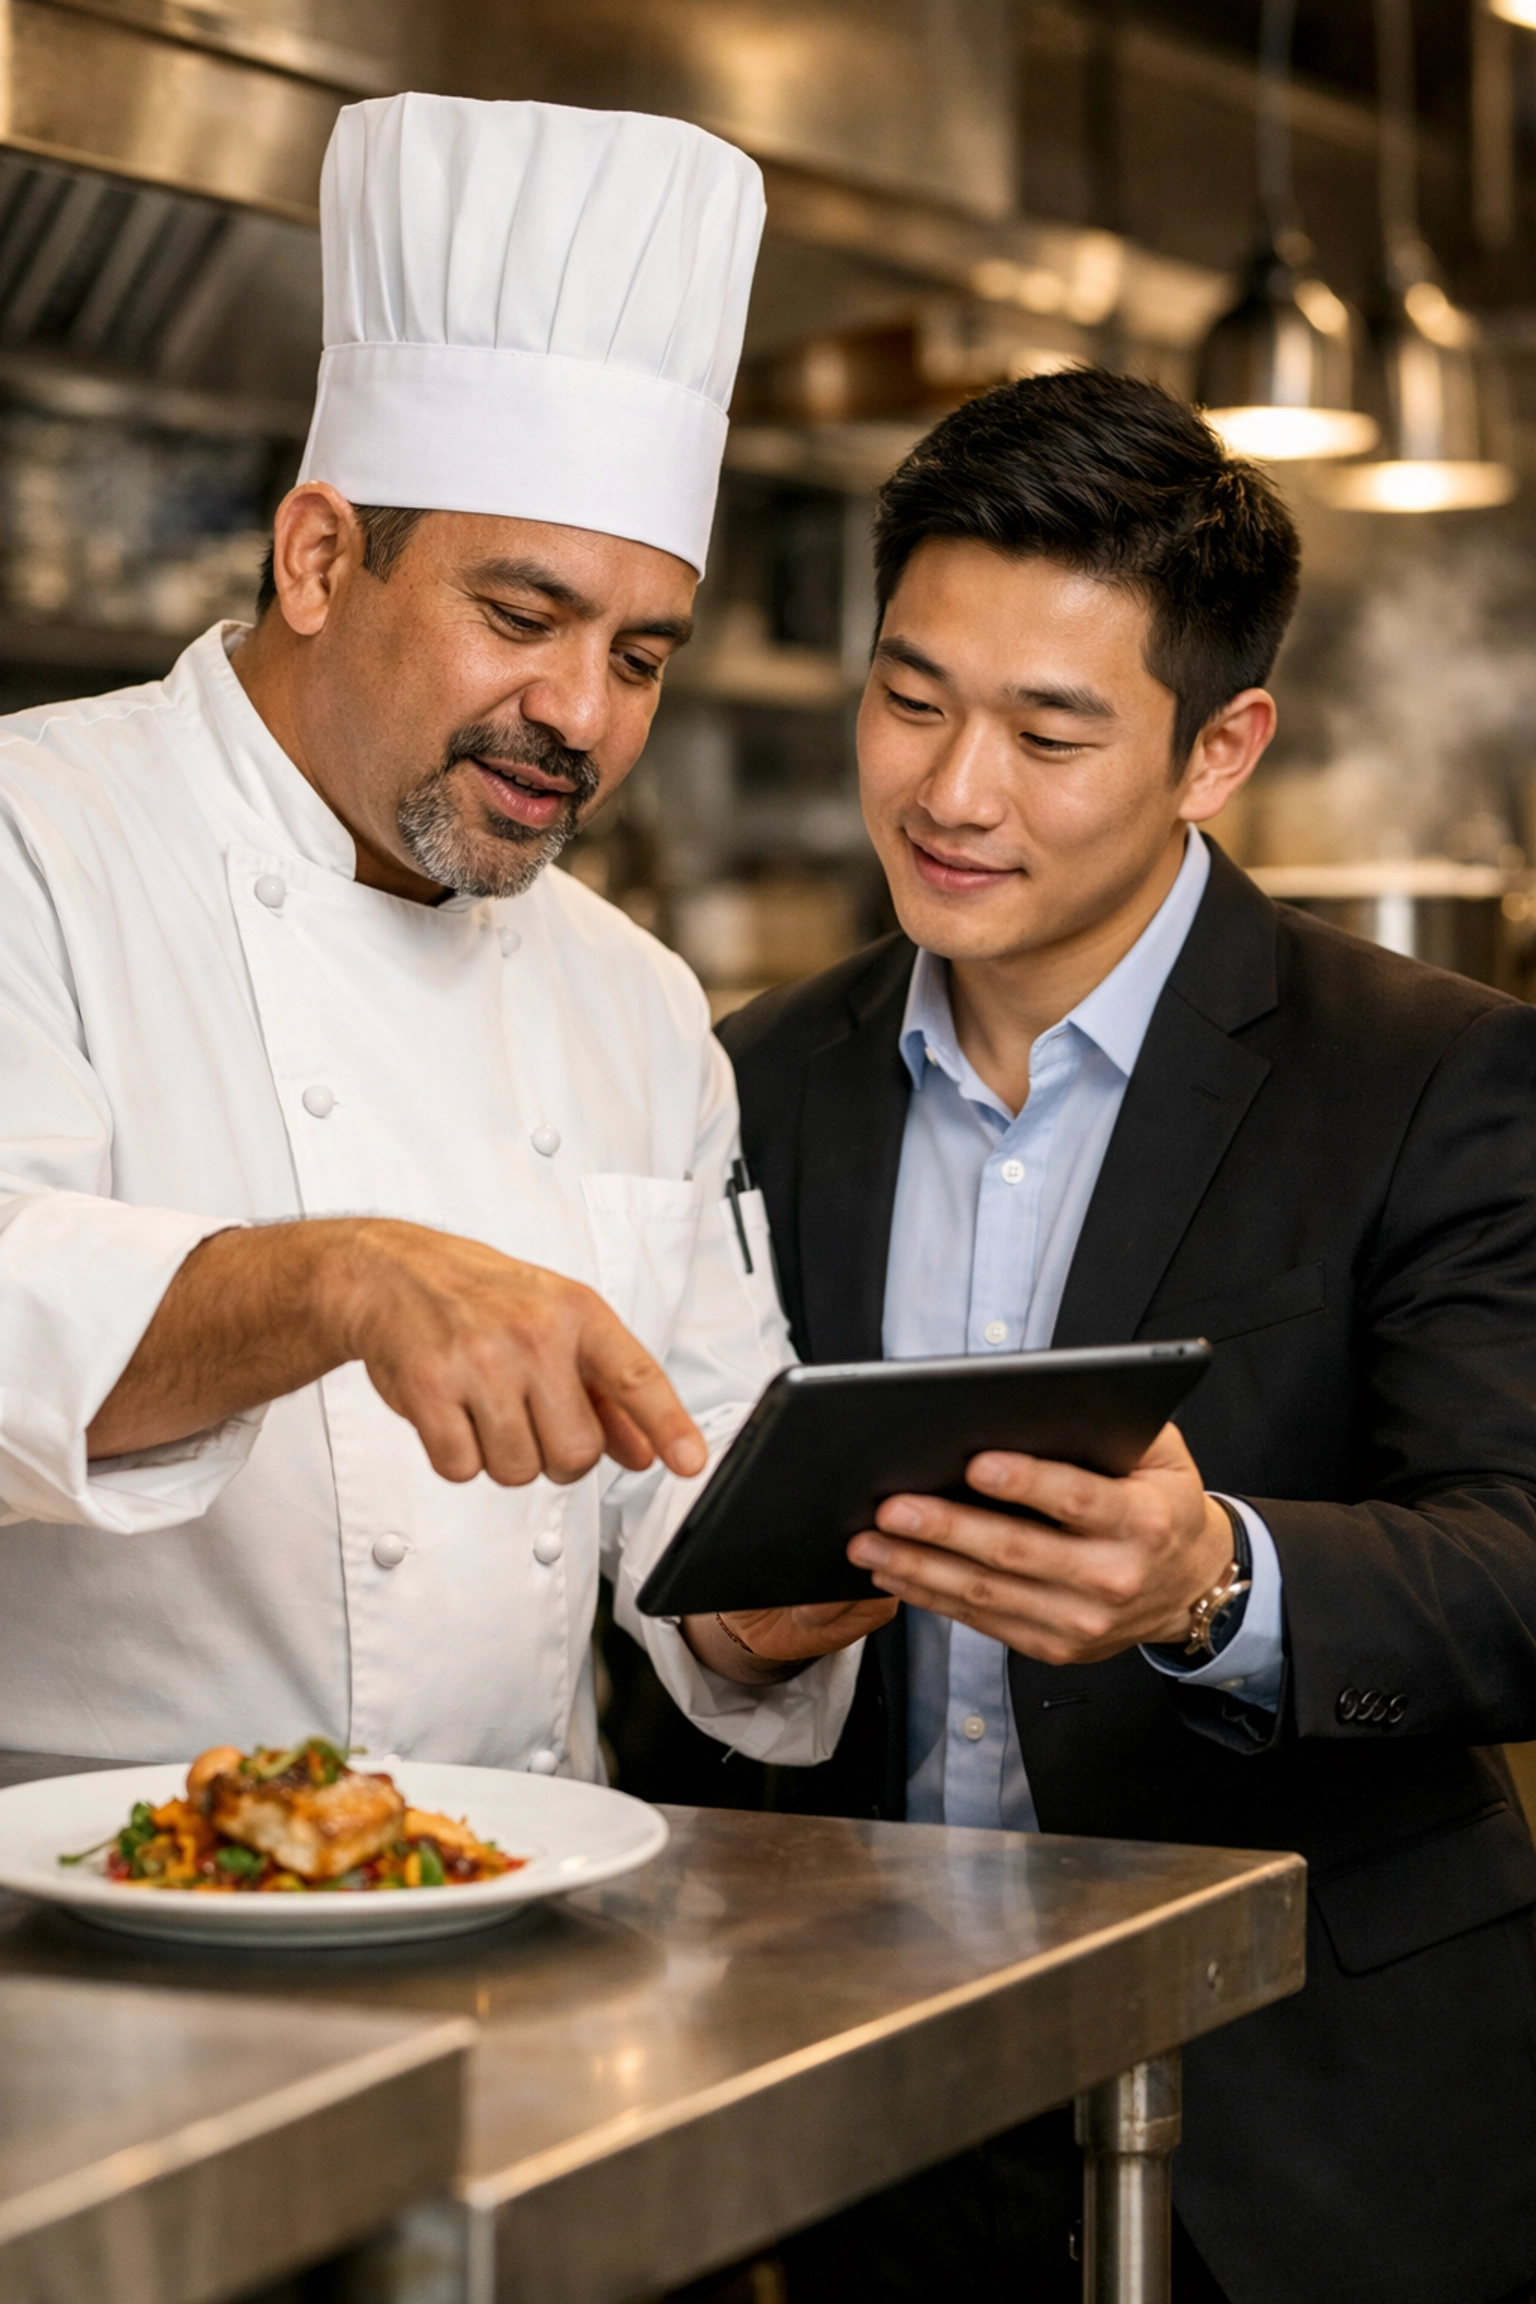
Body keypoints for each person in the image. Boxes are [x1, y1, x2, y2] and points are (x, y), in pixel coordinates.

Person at [720, 368, 1536, 2304]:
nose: (950, 789)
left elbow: (1519, 1560)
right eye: (909, 695)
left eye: (1048, 730)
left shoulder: (1428, 1074)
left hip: (1308, 2128)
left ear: (1219, 746)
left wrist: (1214, 1582)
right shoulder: (753, 1081)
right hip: (875, 2123)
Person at [0, 92, 890, 1768]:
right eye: (522, 615)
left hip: (520, 1911)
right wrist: (337, 1280)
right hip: (77, 1948)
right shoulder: (36, 839)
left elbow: (695, 1507)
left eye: (641, 657)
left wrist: (783, 1597)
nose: (579, 715)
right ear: (323, 556)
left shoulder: (633, 1002)